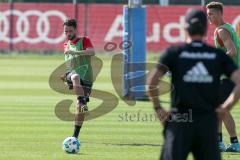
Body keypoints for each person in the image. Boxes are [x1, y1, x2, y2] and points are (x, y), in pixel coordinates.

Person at [147, 9, 240, 160]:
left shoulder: (174, 52)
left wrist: (158, 108)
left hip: (180, 121)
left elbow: (152, 82)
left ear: (184, 28)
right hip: (207, 123)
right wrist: (225, 107)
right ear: (205, 30)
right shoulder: (217, 56)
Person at [206, 1, 240, 152]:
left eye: (211, 14)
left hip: (228, 78)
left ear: (220, 14)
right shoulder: (228, 27)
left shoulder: (221, 31)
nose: (209, 18)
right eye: (207, 15)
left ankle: (221, 142)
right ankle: (233, 143)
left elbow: (232, 51)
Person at [62, 19, 95, 139]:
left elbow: (92, 52)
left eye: (70, 31)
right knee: (75, 76)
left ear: (76, 30)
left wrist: (76, 53)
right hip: (72, 75)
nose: (68, 34)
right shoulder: (66, 44)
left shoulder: (84, 40)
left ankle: (75, 136)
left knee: (79, 109)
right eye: (66, 31)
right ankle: (82, 101)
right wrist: (66, 75)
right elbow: (69, 64)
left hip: (86, 78)